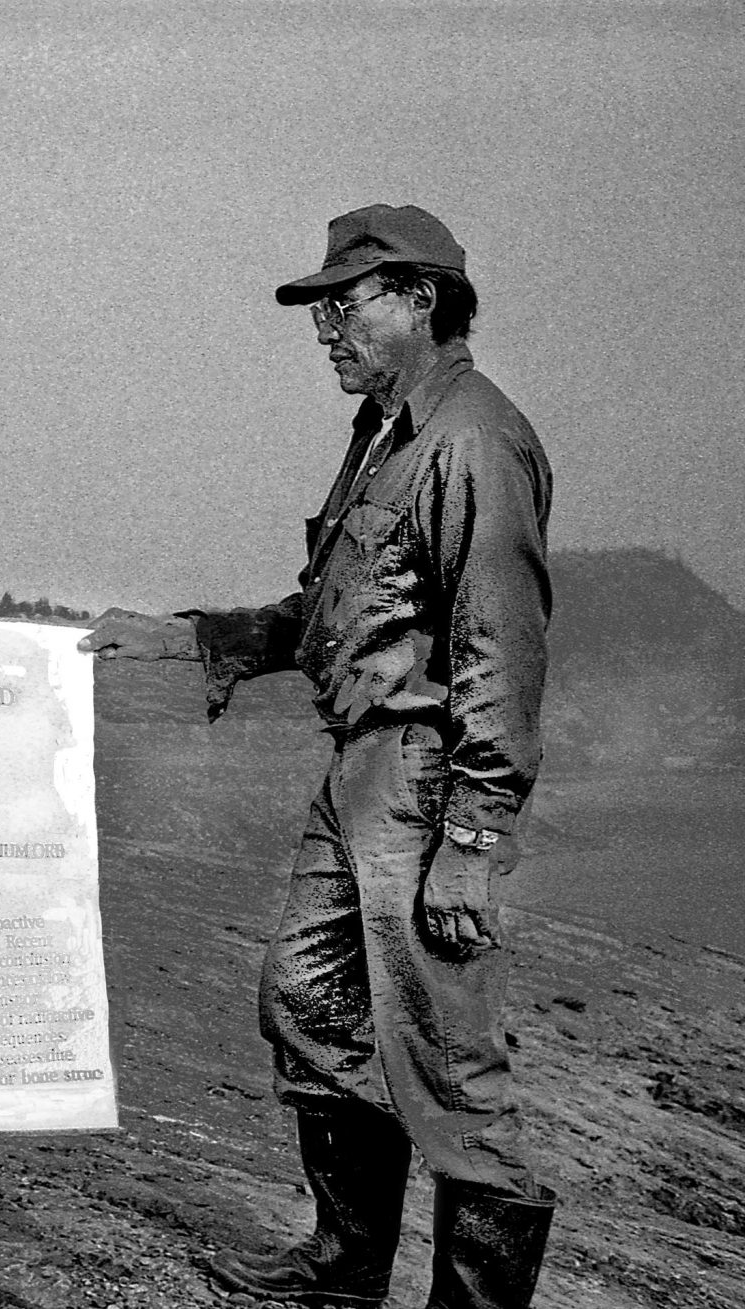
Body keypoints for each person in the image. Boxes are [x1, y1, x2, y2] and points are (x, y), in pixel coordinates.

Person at [80, 204, 557, 1308]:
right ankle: (343, 1270)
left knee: (449, 1063)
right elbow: (332, 614)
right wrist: (184, 636)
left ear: (418, 298)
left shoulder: (469, 441)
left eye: (343, 303)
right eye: (320, 308)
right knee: (304, 998)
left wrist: (472, 845)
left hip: (428, 780)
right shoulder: (383, 435)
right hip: (360, 770)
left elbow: (499, 648)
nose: (323, 328)